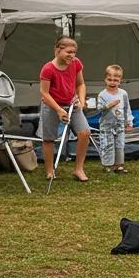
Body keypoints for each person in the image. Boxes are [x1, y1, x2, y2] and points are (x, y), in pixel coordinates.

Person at [39, 35, 91, 183]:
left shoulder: (76, 63)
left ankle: (78, 169)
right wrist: (58, 110)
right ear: (57, 50)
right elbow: (44, 92)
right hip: (51, 105)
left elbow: (80, 84)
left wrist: (81, 101)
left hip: (72, 103)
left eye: (74, 52)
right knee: (49, 139)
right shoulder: (48, 69)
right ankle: (49, 171)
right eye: (68, 52)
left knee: (84, 132)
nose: (72, 55)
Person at [97, 63, 133, 174]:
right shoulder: (102, 95)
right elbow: (99, 109)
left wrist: (129, 122)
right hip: (107, 125)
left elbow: (127, 108)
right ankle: (107, 165)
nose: (112, 82)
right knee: (107, 144)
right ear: (105, 80)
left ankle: (118, 165)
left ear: (120, 81)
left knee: (120, 144)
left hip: (120, 124)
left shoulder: (123, 94)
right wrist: (108, 105)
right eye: (110, 79)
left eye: (116, 80)